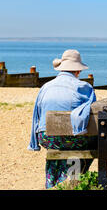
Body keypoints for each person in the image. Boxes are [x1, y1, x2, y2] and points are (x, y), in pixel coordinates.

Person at [28, 50, 96, 189]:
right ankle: (74, 179)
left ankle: (53, 183)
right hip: (74, 138)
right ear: (77, 70)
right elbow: (93, 113)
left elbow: (37, 116)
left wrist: (34, 143)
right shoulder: (85, 87)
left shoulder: (45, 87)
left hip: (47, 138)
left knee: (58, 145)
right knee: (85, 141)